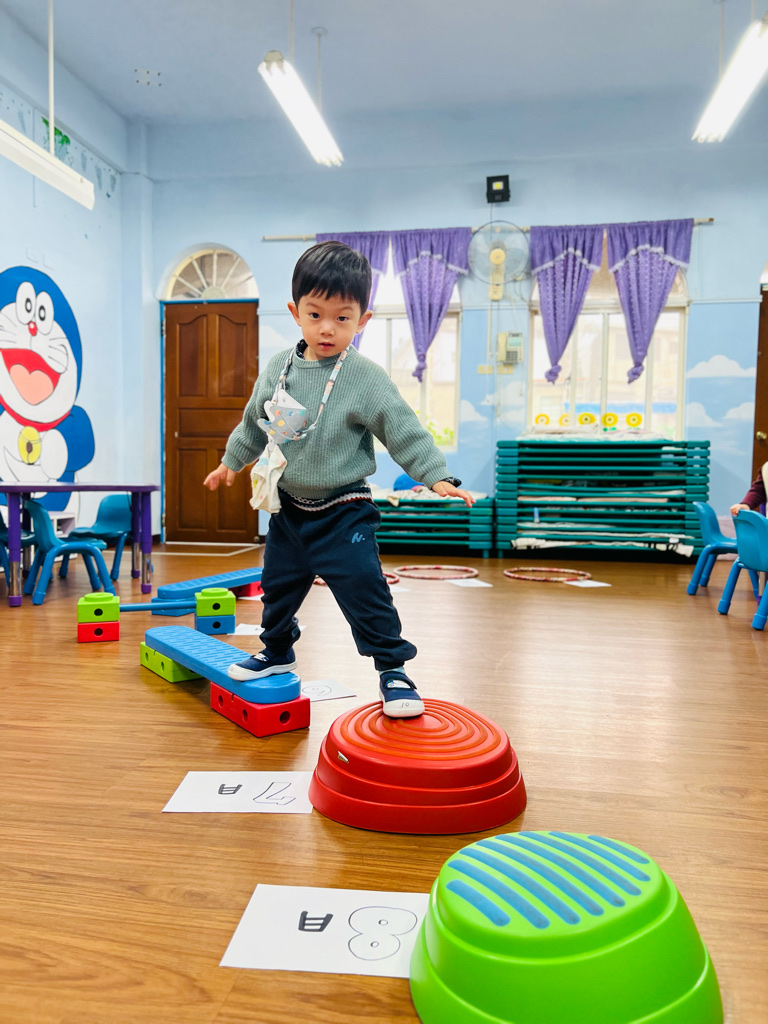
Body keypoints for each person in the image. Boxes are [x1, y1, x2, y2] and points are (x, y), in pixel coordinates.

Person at [203, 241, 474, 718]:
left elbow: (402, 428)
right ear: (295, 312)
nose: (327, 328)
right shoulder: (280, 369)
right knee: (277, 587)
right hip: (289, 509)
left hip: (344, 511)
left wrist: (436, 476)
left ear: (362, 320)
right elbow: (254, 422)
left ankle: (393, 669)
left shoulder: (364, 377)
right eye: (315, 315)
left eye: (342, 318)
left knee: (366, 592)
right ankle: (276, 650)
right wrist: (231, 461)